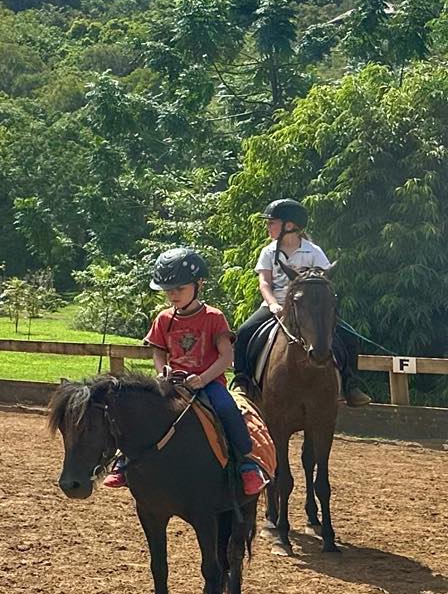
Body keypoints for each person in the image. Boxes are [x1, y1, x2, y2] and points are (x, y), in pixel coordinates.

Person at [103, 248, 266, 495]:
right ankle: (124, 461)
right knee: (139, 411)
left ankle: (246, 464)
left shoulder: (214, 317)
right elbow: (158, 351)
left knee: (227, 409)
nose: (173, 295)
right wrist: (162, 372)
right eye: (169, 290)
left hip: (209, 383)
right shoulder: (163, 318)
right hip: (172, 382)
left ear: (198, 284)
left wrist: (203, 379)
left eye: (179, 289)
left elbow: (226, 356)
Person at [236, 198, 370, 407]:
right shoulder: (268, 252)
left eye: (272, 222)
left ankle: (351, 385)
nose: (267, 226)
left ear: (289, 226)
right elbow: (264, 283)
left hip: (308, 309)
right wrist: (272, 304)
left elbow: (325, 281)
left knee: (349, 337)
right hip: (276, 305)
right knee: (244, 332)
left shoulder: (313, 251)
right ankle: (242, 381)